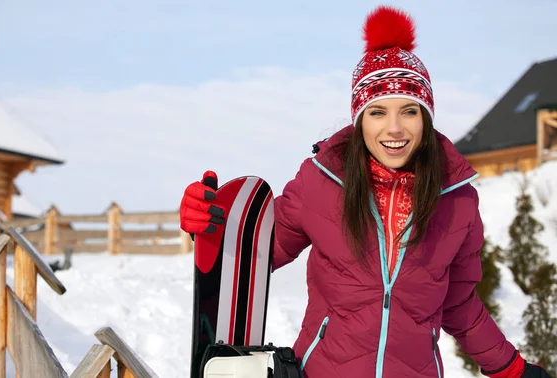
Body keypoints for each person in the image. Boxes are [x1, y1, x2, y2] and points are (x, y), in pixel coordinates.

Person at [179, 5, 553, 378]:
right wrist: (211, 224)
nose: (394, 128)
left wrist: (511, 368)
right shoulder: (322, 181)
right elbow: (257, 252)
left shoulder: (457, 202)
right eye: (377, 113)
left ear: (426, 118)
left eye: (409, 111)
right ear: (359, 120)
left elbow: (459, 303)